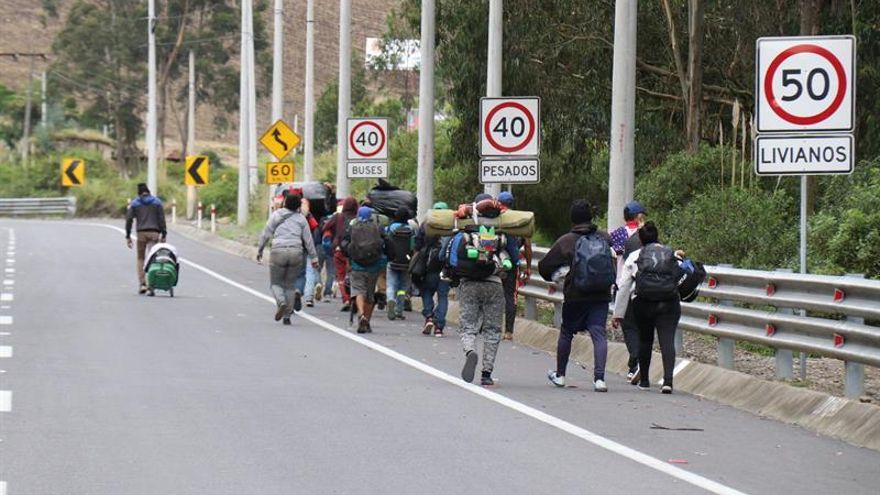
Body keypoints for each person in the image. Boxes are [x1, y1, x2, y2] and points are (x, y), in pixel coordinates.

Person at [538, 199, 614, 392]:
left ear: (572, 218)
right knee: (598, 333)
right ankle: (599, 379)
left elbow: (544, 267)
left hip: (575, 295)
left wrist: (558, 275)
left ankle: (561, 375)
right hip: (601, 294)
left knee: (566, 332)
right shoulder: (604, 238)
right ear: (590, 217)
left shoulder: (566, 241)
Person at [448, 193, 519, 386]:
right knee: (493, 330)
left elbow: (448, 258)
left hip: (469, 284)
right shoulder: (503, 230)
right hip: (494, 284)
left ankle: (470, 350)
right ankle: (487, 373)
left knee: (468, 326)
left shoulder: (465, 229)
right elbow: (513, 259)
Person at [612, 222, 682, 394]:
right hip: (669, 302)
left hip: (643, 303)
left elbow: (624, 286)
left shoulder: (635, 256)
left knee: (645, 339)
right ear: (657, 236)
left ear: (641, 240)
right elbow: (679, 277)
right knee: (667, 340)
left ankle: (644, 380)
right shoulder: (670, 253)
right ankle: (667, 382)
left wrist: (618, 314)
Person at [257, 194, 319, 325]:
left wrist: (260, 250)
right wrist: (314, 258)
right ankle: (287, 316)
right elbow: (308, 240)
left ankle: (281, 302)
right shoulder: (301, 219)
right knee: (290, 285)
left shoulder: (276, 215)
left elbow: (266, 233)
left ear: (285, 202)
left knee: (276, 283)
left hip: (278, 251)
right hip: (296, 251)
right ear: (298, 205)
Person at [609, 201, 647, 383]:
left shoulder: (617, 234)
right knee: (642, 327)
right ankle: (636, 365)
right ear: (640, 216)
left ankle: (635, 363)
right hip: (646, 286)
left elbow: (615, 259)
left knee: (629, 327)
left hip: (623, 284)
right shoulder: (647, 234)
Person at [342, 206, 388, 333]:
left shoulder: (352, 227)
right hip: (374, 265)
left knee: (358, 291)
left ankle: (361, 314)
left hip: (357, 265)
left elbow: (344, 244)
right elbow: (387, 244)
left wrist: (349, 257)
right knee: (370, 294)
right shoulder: (378, 228)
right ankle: (367, 319)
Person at [497, 191, 532, 340]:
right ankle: (509, 331)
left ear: (499, 203)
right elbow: (528, 246)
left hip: (493, 262)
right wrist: (528, 266)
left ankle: (489, 327)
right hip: (512, 264)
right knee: (510, 296)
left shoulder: (493, 217)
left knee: (492, 294)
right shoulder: (520, 219)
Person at [415, 201, 452, 337]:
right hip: (446, 267)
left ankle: (429, 317)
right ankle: (439, 327)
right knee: (443, 296)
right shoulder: (452, 226)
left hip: (429, 266)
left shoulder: (426, 224)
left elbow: (418, 244)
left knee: (427, 291)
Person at [125, 183, 167, 294]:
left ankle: (143, 284)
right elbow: (161, 219)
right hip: (154, 233)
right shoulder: (157, 202)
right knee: (152, 258)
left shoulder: (135, 203)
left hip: (141, 233)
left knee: (140, 258)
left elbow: (129, 220)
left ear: (139, 192)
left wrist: (128, 236)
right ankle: (151, 284)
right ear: (148, 191)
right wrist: (164, 233)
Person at [323, 196, 359, 312]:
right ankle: (355, 298)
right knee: (354, 276)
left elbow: (325, 227)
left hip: (339, 249)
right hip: (354, 251)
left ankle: (346, 299)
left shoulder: (338, 217)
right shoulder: (357, 219)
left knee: (341, 276)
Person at [385, 206, 416, 320]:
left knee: (391, 284)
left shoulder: (391, 228)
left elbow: (386, 242)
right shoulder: (411, 229)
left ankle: (390, 300)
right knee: (403, 287)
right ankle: (399, 310)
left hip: (392, 260)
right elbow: (413, 245)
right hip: (406, 262)